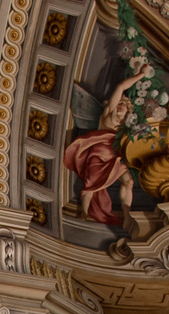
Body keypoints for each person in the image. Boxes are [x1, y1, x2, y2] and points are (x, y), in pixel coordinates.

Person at [63, 63, 154, 225]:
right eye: (119, 103)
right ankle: (83, 212)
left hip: (116, 156)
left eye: (124, 106)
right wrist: (140, 75)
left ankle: (127, 215)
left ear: (129, 111)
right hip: (99, 152)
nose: (120, 106)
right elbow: (121, 86)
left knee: (129, 182)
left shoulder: (126, 128)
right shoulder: (108, 114)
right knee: (91, 183)